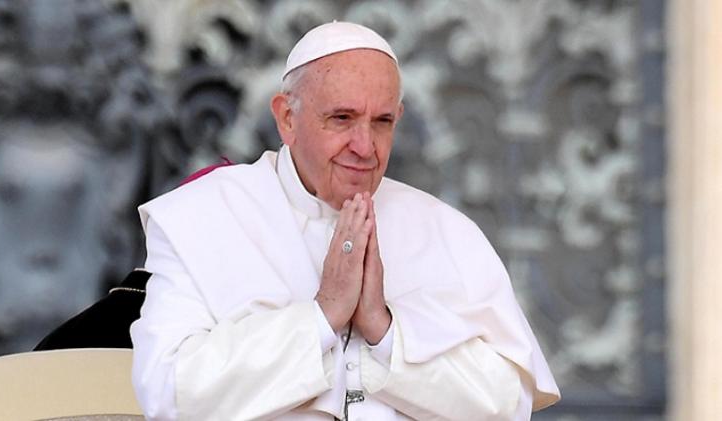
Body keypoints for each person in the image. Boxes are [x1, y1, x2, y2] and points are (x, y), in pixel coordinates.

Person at [130, 21, 560, 420]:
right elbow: (168, 393)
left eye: (382, 122)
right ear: (286, 118)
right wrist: (322, 317)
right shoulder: (202, 217)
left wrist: (384, 331)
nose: (365, 146)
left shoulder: (446, 231)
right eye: (342, 118)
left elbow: (509, 404)